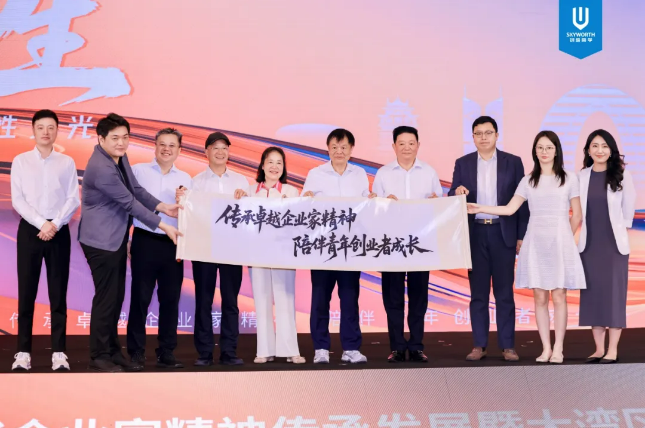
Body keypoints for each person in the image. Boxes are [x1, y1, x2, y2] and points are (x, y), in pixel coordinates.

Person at [467, 130, 585, 364]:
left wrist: (564, 238)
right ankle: (546, 348)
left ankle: (559, 348)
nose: (544, 152)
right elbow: (509, 209)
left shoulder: (570, 178)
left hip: (560, 242)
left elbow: (577, 215)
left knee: (559, 296)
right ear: (535, 152)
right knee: (539, 297)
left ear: (556, 151)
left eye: (549, 148)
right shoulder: (529, 180)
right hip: (535, 242)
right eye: (540, 148)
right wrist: (480, 208)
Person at [79, 113, 182, 373]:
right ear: (101, 139)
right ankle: (99, 355)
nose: (121, 143)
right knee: (106, 299)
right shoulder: (101, 168)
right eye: (115, 138)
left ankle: (113, 352)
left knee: (115, 298)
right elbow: (129, 203)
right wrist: (163, 225)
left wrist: (163, 207)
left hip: (115, 238)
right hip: (100, 241)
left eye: (125, 137)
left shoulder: (119, 157)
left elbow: (135, 189)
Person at [448, 116, 528, 362]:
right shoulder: (463, 163)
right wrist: (456, 192)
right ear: (472, 137)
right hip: (475, 234)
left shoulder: (513, 162)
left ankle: (508, 346)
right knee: (478, 294)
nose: (483, 137)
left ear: (496, 135)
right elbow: (451, 193)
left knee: (504, 293)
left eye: (488, 132)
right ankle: (479, 345)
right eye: (478, 133)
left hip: (503, 233)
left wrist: (521, 235)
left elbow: (523, 202)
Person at [10, 109, 80, 371]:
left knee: (58, 293)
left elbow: (73, 198)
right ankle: (23, 353)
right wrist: (41, 223)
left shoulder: (67, 162)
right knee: (26, 292)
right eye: (41, 127)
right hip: (30, 230)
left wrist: (55, 224)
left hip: (58, 231)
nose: (46, 132)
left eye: (51, 127)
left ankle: (59, 353)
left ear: (57, 131)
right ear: (33, 130)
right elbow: (18, 200)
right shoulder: (21, 161)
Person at [302, 128, 376, 364]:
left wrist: (372, 200)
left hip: (349, 247)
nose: (339, 151)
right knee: (320, 298)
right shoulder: (315, 173)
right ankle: (321, 348)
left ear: (351, 150)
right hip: (323, 246)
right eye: (334, 147)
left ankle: (351, 348)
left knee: (349, 298)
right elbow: (304, 206)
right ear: (328, 149)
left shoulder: (359, 174)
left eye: (344, 147)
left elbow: (366, 204)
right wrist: (307, 198)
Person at [176, 132, 249, 366]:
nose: (220, 152)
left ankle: (229, 351)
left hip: (232, 249)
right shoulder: (195, 182)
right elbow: (188, 213)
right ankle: (204, 352)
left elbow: (249, 215)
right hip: (204, 248)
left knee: (230, 301)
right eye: (215, 147)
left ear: (229, 152)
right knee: (204, 300)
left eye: (224, 148)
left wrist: (246, 199)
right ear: (206, 151)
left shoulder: (241, 181)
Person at [372, 125, 442, 363]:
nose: (406, 148)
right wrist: (383, 202)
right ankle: (397, 347)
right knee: (392, 298)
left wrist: (436, 201)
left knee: (419, 298)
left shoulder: (429, 172)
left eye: (411, 143)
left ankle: (417, 345)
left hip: (420, 243)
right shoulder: (383, 173)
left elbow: (439, 207)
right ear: (394, 146)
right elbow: (374, 209)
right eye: (401, 143)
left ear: (418, 145)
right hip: (391, 244)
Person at [126, 128, 192, 369]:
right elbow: (128, 205)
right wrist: (127, 238)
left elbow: (192, 216)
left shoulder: (186, 179)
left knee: (170, 300)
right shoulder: (138, 171)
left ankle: (166, 352)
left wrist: (185, 200)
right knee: (140, 298)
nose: (166, 149)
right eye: (162, 144)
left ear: (179, 150)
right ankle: (136, 353)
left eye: (172, 145)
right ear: (154, 146)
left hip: (173, 244)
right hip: (144, 240)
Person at [233, 146, 305, 364]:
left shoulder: (292, 192)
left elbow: (298, 222)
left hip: (283, 254)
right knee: (262, 299)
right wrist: (238, 198)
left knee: (285, 299)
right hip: (257, 253)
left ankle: (290, 350)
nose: (274, 166)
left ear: (283, 168)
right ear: (262, 165)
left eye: (279, 163)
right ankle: (264, 350)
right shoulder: (249, 191)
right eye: (270, 162)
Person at [578, 130, 635, 364]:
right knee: (593, 295)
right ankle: (599, 349)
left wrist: (621, 231)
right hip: (589, 245)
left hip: (613, 246)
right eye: (595, 146)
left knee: (613, 296)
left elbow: (628, 210)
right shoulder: (581, 176)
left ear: (611, 150)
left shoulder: (622, 175)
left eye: (604, 146)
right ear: (588, 150)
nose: (599, 150)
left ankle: (612, 349)